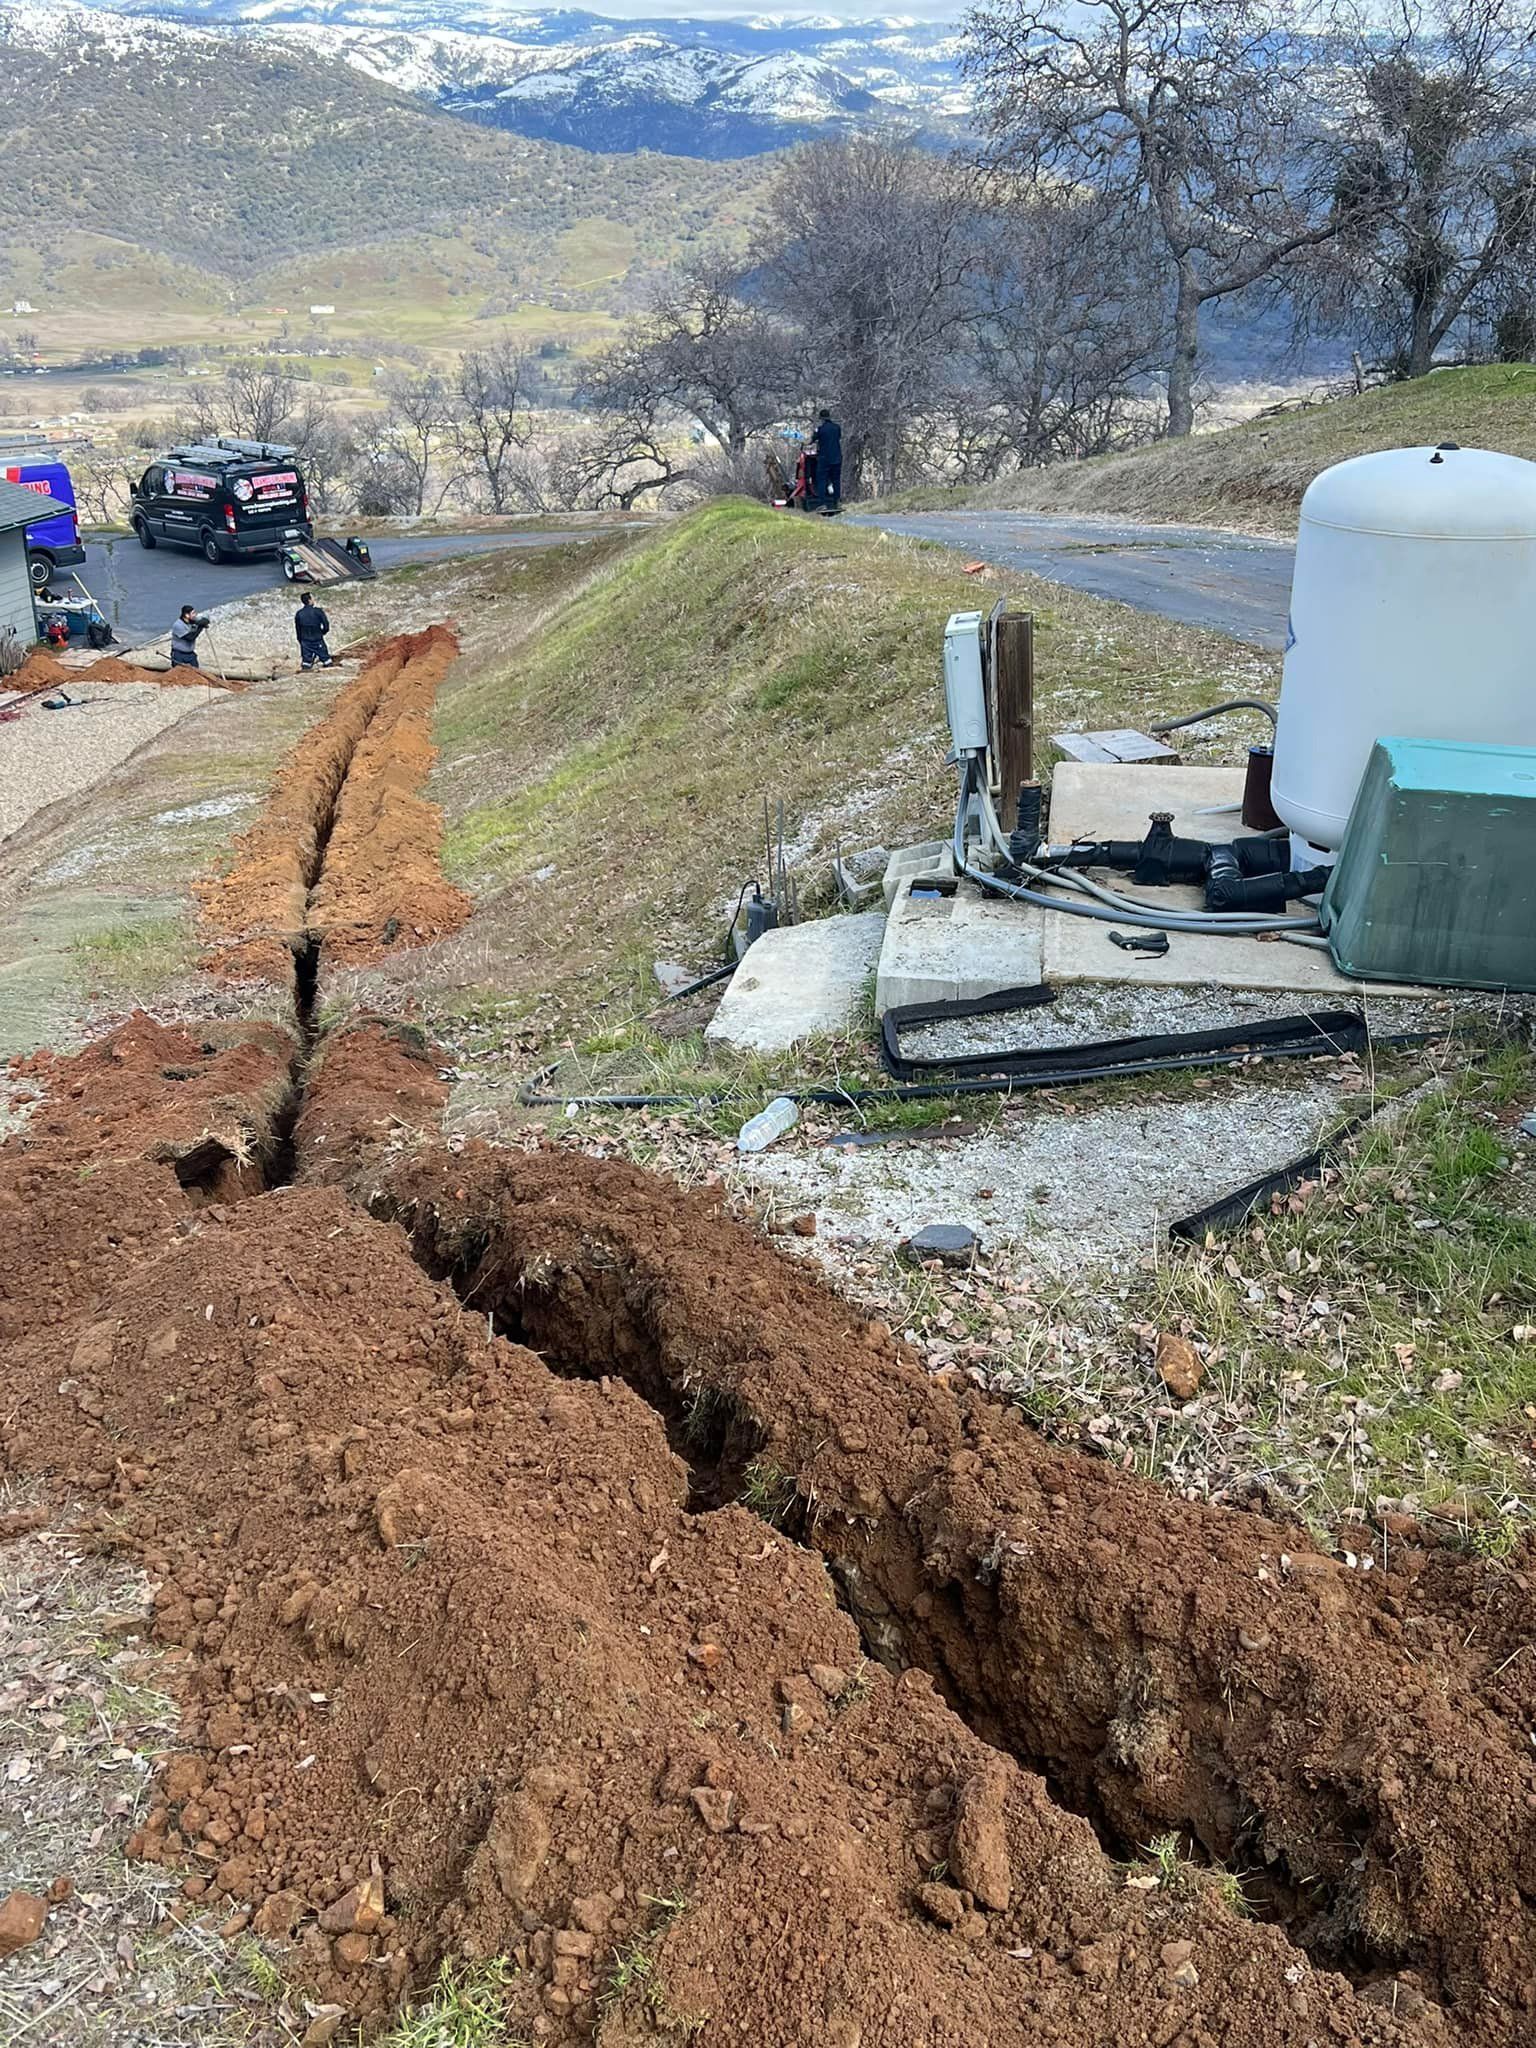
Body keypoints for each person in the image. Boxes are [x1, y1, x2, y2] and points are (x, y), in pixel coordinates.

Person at [812, 409, 842, 515]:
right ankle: (837, 502)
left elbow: (813, 439)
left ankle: (822, 504)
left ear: (821, 419)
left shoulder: (820, 429)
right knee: (836, 480)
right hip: (837, 458)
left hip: (824, 458)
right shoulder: (837, 428)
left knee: (822, 480)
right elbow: (838, 438)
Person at [294, 593, 334, 671]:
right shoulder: (318, 611)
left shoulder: (299, 613)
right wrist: (322, 633)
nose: (313, 600)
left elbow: (298, 630)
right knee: (327, 660)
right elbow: (326, 625)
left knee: (306, 664)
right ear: (309, 600)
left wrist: (301, 641)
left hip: (305, 641)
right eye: (312, 598)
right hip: (317, 640)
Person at [170, 605, 209, 669]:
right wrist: (200, 627)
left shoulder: (192, 620)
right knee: (180, 673)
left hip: (190, 654)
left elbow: (205, 620)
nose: (195, 615)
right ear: (186, 615)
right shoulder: (178, 625)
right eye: (193, 613)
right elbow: (190, 638)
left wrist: (203, 622)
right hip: (179, 654)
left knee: (196, 672)